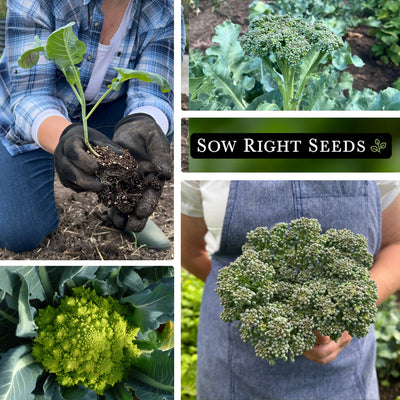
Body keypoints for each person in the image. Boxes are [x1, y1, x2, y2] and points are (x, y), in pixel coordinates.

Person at [181, 180, 400, 400]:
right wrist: (247, 296)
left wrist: (349, 308)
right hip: (233, 363)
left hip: (344, 369)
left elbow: (396, 244)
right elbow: (188, 250)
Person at [0, 0, 174, 252]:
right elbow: (30, 95)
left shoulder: (165, 9)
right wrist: (65, 137)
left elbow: (154, 92)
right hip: (31, 114)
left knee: (151, 131)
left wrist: (143, 120)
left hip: (106, 106)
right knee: (21, 234)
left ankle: (125, 199)